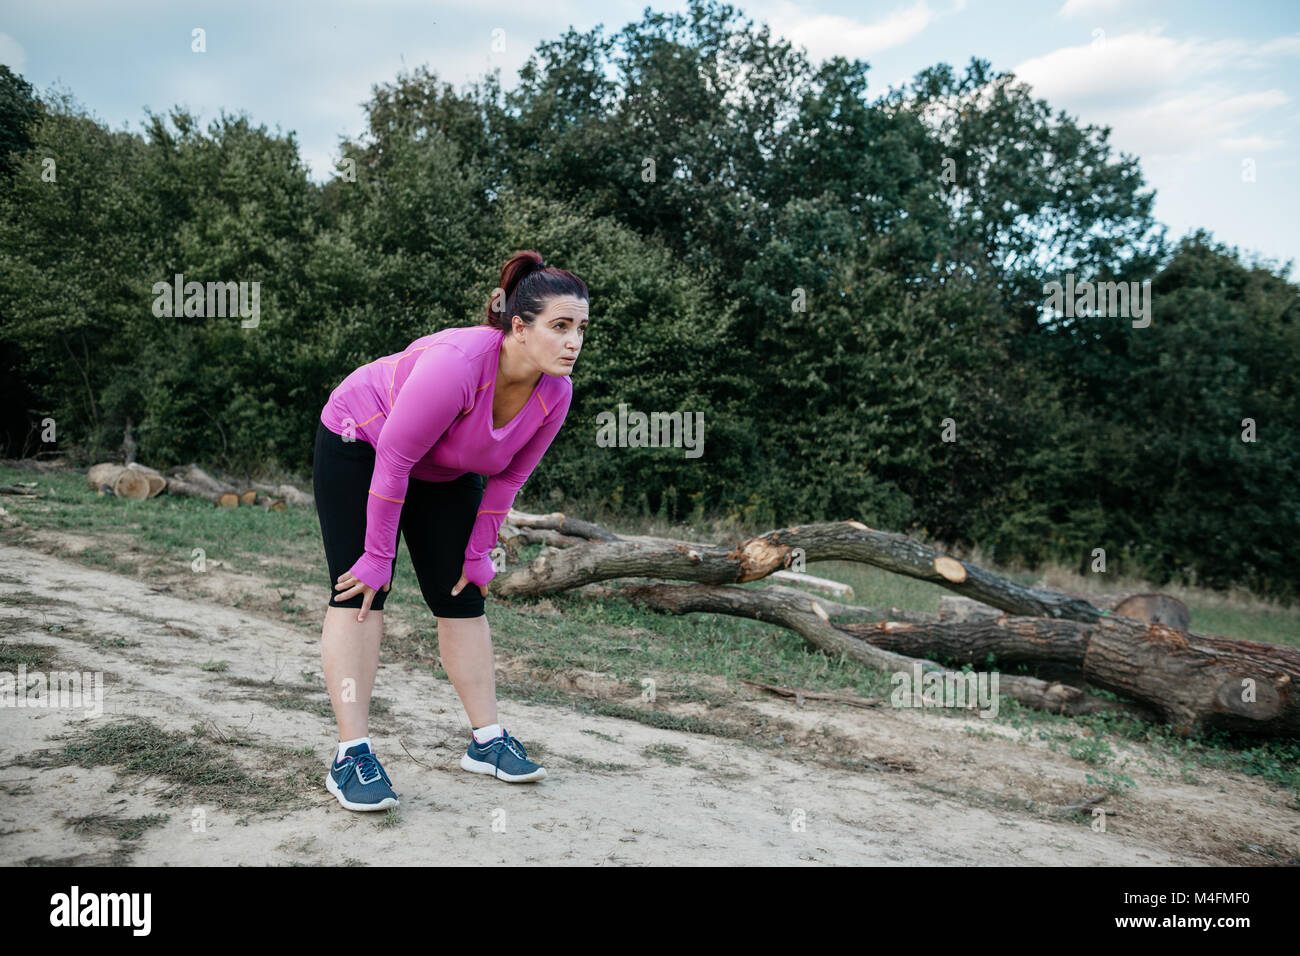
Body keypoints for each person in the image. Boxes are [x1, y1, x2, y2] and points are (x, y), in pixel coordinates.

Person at [311, 250, 588, 811]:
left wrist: (479, 552)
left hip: (445, 468)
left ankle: (486, 740)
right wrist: (374, 555)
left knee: (463, 592)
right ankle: (351, 756)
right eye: (560, 326)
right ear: (518, 326)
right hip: (362, 440)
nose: (573, 341)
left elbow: (509, 476)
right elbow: (392, 459)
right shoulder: (459, 364)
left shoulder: (555, 393)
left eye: (581, 328)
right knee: (363, 588)